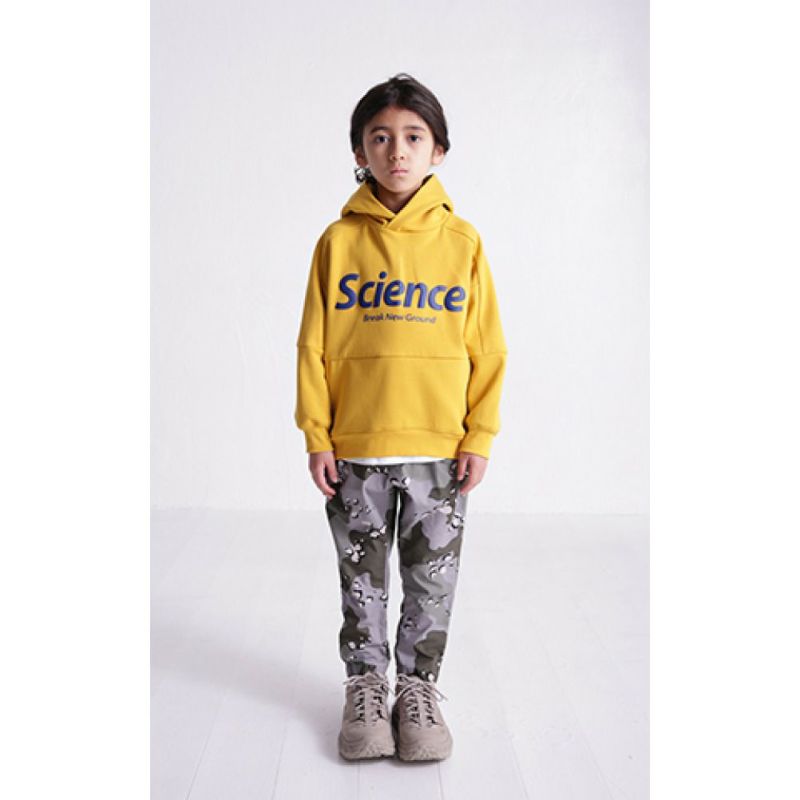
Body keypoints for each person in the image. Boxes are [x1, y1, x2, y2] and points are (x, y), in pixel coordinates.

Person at [294, 73, 508, 762]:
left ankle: (417, 692)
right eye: (380, 137)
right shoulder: (337, 242)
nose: (397, 151)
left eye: (414, 137)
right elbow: (313, 345)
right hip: (355, 448)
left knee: (430, 581)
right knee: (362, 583)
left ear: (438, 150)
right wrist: (317, 434)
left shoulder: (463, 243)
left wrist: (479, 434)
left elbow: (488, 347)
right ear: (359, 150)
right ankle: (365, 687)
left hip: (439, 449)